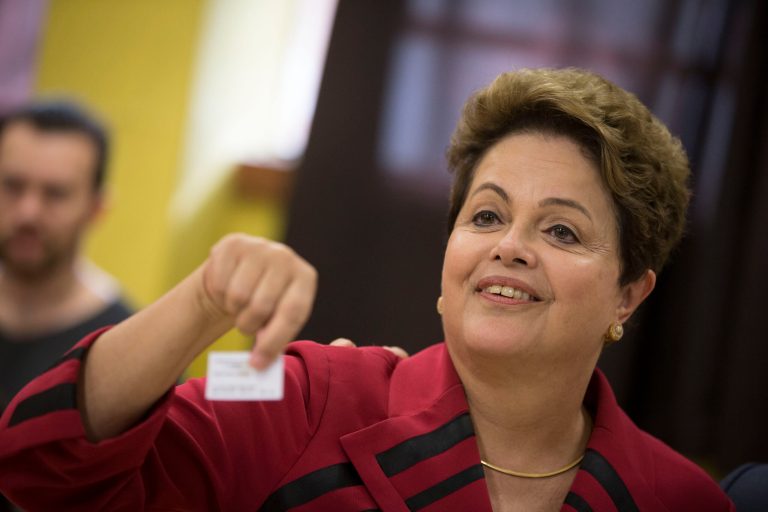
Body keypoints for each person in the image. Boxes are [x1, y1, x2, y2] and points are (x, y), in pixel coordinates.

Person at [0, 69, 734, 511]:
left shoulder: (684, 497)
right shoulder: (306, 386)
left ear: (628, 296)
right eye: (487, 215)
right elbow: (39, 463)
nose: (510, 246)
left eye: (562, 232)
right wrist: (203, 301)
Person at [0, 101, 133, 414]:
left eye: (55, 193)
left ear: (97, 207)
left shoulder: (123, 346)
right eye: (12, 186)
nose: (27, 212)